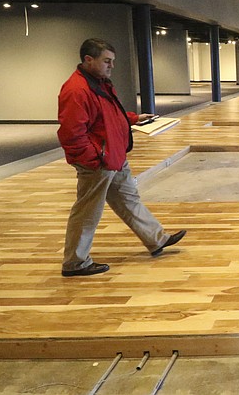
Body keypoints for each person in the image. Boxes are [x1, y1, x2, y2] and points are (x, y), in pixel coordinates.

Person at [58, 38, 186, 277]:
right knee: (87, 211)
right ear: (88, 59)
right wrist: (95, 159)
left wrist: (134, 119)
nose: (111, 66)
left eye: (112, 61)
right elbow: (71, 134)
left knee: (129, 199)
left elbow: (108, 116)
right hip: (100, 162)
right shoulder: (77, 90)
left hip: (114, 156)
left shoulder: (99, 83)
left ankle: (156, 239)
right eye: (107, 61)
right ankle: (75, 262)